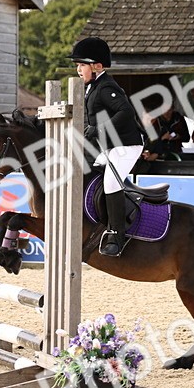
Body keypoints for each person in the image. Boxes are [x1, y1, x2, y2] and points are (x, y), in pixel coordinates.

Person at [69, 36, 143, 257]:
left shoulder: (106, 86)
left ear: (97, 66)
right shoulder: (93, 87)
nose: (78, 69)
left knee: (111, 182)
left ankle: (117, 235)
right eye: (77, 65)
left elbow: (126, 112)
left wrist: (99, 129)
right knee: (90, 172)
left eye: (82, 65)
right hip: (109, 147)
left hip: (127, 146)